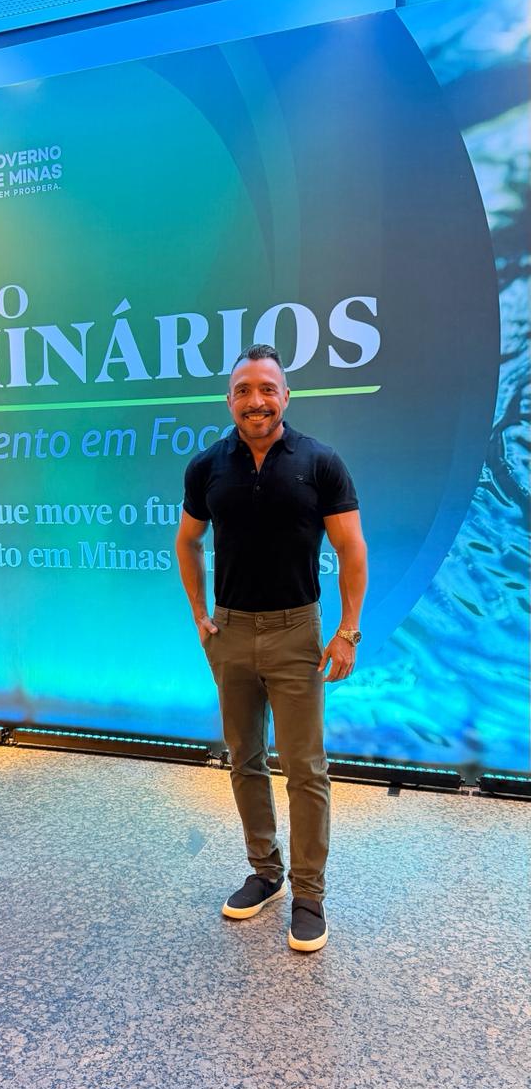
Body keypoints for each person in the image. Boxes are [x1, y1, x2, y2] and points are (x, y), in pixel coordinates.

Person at [175, 343, 367, 952]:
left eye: (266, 389)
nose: (255, 401)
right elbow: (187, 541)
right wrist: (201, 615)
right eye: (243, 390)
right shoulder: (207, 467)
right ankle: (266, 872)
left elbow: (352, 549)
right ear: (229, 400)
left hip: (296, 633)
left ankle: (309, 895)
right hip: (230, 632)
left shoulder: (320, 462)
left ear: (285, 395)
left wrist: (347, 630)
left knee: (305, 768)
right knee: (244, 760)